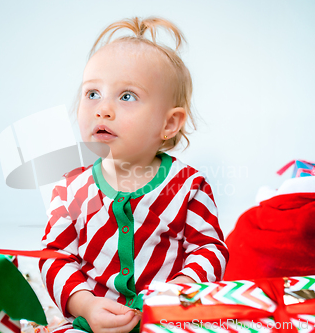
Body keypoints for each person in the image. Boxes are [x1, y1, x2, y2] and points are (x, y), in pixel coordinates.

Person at [38, 17, 229, 333]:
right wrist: (83, 303)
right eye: (92, 94)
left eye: (126, 96)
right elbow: (54, 256)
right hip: (91, 322)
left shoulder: (187, 186)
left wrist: (176, 292)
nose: (103, 109)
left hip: (166, 319)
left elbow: (210, 249)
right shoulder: (71, 188)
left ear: (169, 124)